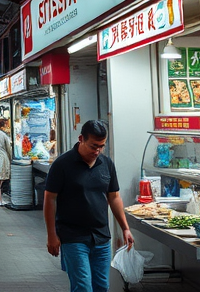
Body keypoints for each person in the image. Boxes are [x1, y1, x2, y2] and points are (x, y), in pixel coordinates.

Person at [44, 120, 134, 292]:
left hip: (101, 236)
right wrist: (51, 235)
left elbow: (114, 197)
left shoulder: (106, 164)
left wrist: (125, 228)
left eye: (101, 146)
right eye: (93, 146)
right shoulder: (62, 165)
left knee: (101, 286)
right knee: (83, 287)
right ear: (81, 139)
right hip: (73, 236)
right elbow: (50, 199)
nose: (97, 151)